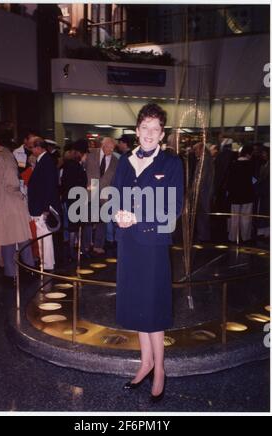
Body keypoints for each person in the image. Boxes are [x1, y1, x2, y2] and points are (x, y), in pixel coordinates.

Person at [113, 103, 184, 402]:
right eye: (145, 129)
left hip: (153, 245)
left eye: (156, 129)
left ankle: (160, 370)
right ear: (137, 130)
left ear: (162, 133)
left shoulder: (171, 163)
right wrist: (117, 213)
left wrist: (137, 216)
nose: (150, 134)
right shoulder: (125, 161)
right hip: (130, 244)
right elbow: (114, 196)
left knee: (153, 309)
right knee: (138, 306)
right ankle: (145, 363)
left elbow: (173, 207)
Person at [0, 133, 34, 284]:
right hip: (16, 201)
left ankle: (10, 274)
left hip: (4, 203)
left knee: (6, 238)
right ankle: (30, 268)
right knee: (22, 237)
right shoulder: (10, 156)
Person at [28, 137, 61, 270]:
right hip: (41, 205)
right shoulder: (44, 160)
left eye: (31, 147)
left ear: (38, 148)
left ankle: (46, 264)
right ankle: (47, 262)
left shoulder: (46, 161)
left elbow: (49, 186)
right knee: (44, 236)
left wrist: (46, 208)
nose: (31, 150)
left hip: (42, 206)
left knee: (44, 236)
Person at [84, 137, 118, 255]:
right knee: (88, 220)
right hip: (90, 191)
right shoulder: (91, 154)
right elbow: (82, 169)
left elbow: (115, 179)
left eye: (113, 148)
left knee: (102, 221)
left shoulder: (115, 161)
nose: (112, 150)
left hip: (105, 194)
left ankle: (98, 245)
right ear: (103, 145)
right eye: (110, 147)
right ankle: (86, 244)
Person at [227, 145, 254, 243]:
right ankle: (245, 237)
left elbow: (229, 181)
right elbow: (254, 180)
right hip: (247, 195)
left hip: (235, 195)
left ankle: (233, 237)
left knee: (234, 217)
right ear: (248, 154)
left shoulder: (233, 164)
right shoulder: (251, 165)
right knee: (246, 217)